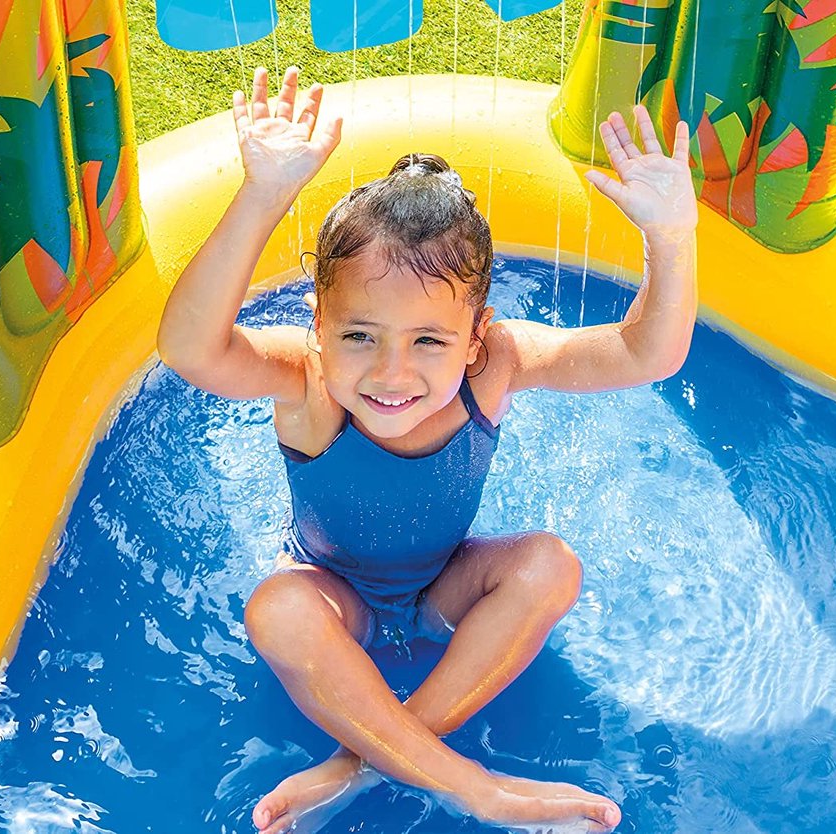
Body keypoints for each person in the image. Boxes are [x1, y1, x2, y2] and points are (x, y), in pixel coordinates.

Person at [157, 66, 698, 834]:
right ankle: (479, 789)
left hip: (447, 590)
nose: (390, 373)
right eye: (359, 336)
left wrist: (672, 237)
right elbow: (188, 348)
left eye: (429, 341)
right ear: (317, 323)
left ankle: (360, 761)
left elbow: (648, 353)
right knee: (279, 610)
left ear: (475, 337)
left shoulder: (499, 364)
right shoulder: (306, 379)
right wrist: (263, 194)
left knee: (550, 564)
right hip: (336, 598)